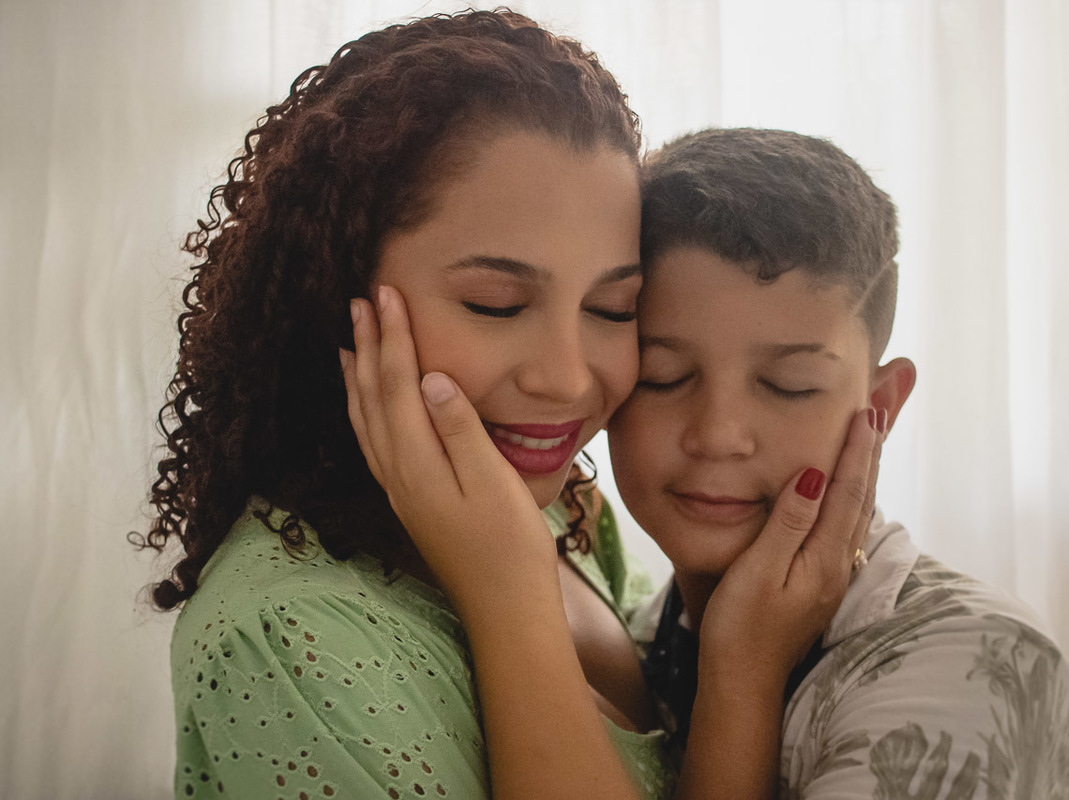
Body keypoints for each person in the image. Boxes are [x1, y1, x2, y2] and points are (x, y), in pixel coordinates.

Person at [139, 11, 878, 800]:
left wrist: (742, 664)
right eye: (495, 303)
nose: (567, 379)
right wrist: (509, 592)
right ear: (334, 294)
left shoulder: (567, 511)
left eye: (613, 309)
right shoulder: (291, 643)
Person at [605, 127, 1069, 798]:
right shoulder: (639, 641)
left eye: (789, 386)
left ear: (880, 405)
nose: (719, 435)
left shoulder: (967, 664)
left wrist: (743, 677)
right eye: (662, 374)